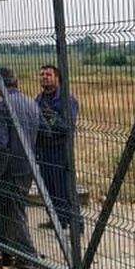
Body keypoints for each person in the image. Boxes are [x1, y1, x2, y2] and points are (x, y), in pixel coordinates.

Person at [0, 66, 41, 269]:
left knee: (11, 211)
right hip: (27, 165)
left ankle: (28, 256)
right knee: (7, 209)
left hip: (7, 168)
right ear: (15, 81)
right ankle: (3, 251)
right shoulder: (31, 103)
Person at [33, 64, 81, 238]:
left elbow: (68, 127)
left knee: (65, 189)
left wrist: (52, 118)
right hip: (43, 150)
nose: (44, 77)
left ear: (57, 78)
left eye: (48, 74)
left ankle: (76, 225)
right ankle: (57, 220)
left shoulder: (67, 100)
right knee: (49, 188)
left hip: (60, 151)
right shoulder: (38, 99)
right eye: (42, 74)